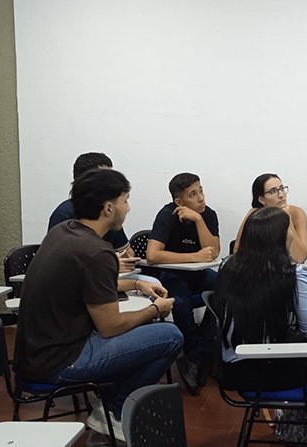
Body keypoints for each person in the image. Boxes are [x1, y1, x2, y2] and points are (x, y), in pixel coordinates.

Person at [14, 169, 183, 442]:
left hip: (35, 355)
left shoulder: (65, 232)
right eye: (125, 200)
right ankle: (113, 412)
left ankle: (108, 407)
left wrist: (137, 285)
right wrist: (156, 310)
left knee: (141, 338)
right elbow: (110, 326)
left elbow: (85, 283)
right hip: (62, 361)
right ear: (108, 208)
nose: (128, 207)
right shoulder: (97, 252)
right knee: (170, 336)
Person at [214, 207, 307, 446]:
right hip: (266, 370)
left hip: (232, 371)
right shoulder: (292, 273)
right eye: (289, 227)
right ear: (280, 237)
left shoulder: (228, 266)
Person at [146, 172, 220, 395]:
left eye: (201, 190)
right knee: (180, 302)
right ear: (179, 202)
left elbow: (213, 253)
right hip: (171, 275)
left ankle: (203, 349)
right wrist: (194, 256)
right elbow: (152, 256)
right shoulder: (166, 215)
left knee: (227, 288)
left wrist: (198, 219)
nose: (200, 197)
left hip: (197, 274)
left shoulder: (208, 215)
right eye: (193, 194)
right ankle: (191, 357)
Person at [234, 173, 307, 301]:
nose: (281, 195)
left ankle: (305, 320)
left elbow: (300, 257)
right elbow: (237, 251)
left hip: (292, 269)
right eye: (273, 191)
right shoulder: (255, 215)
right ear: (261, 199)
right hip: (261, 270)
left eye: (282, 188)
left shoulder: (296, 213)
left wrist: (285, 220)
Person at [48, 152, 139, 273]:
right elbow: (67, 269)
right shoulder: (64, 216)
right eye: (106, 178)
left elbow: (127, 253)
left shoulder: (109, 218)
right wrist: (111, 263)